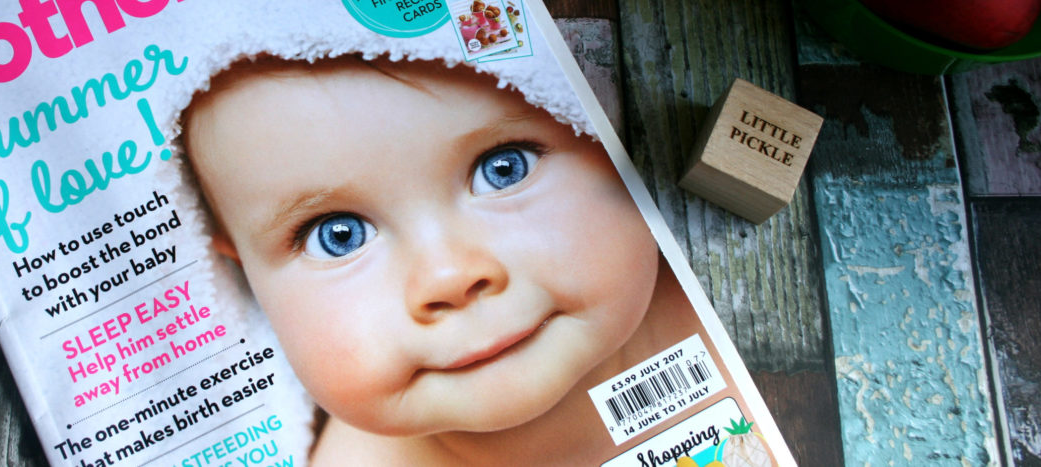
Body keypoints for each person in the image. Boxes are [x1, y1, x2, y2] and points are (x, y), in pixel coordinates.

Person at [180, 54, 744, 466]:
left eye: (504, 169)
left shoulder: (735, 297)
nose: (449, 276)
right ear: (240, 272)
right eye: (340, 235)